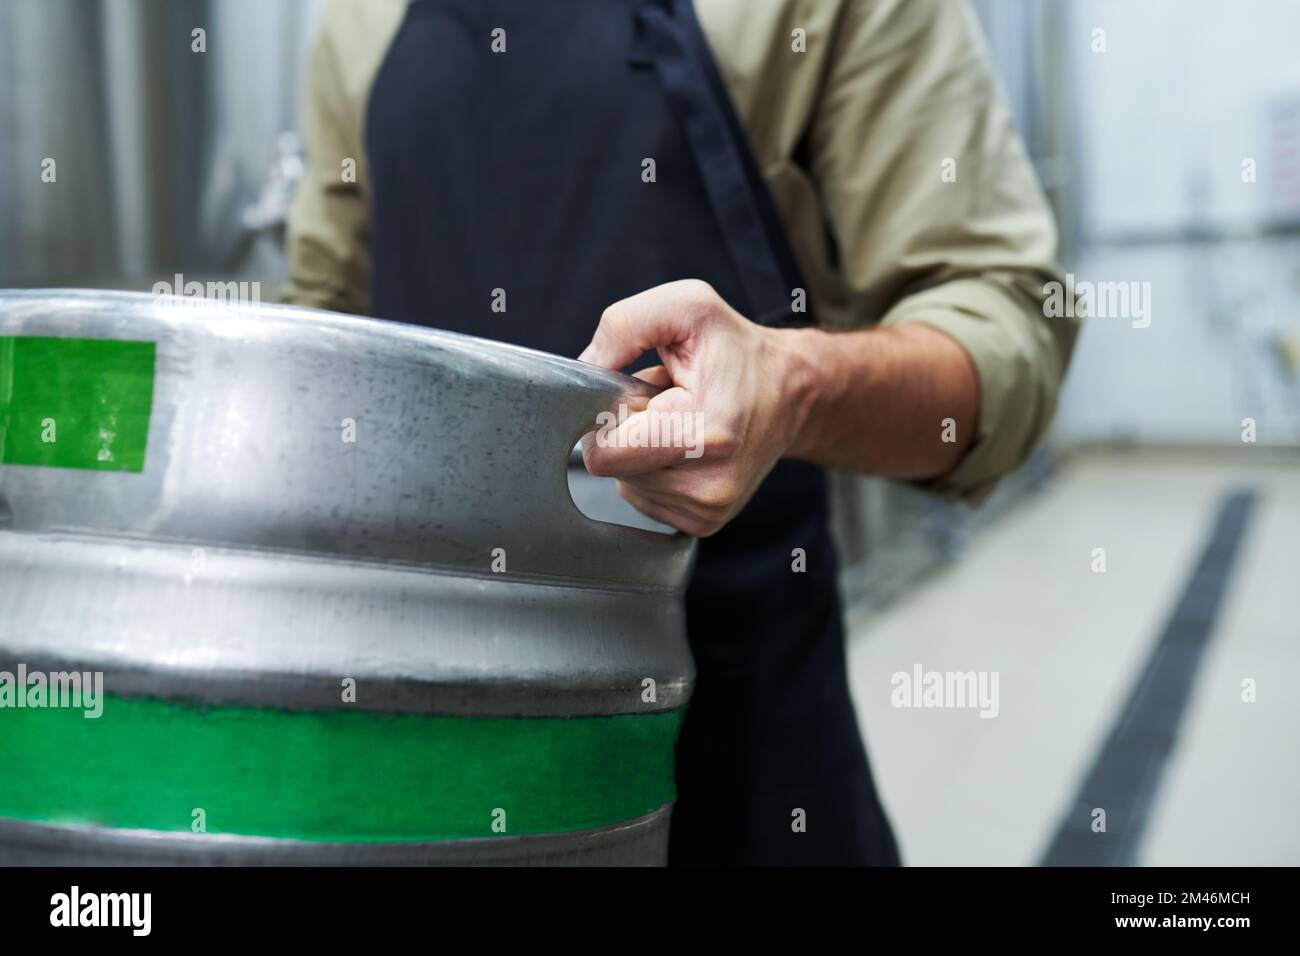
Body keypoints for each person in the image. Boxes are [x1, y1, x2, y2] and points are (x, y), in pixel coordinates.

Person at [284, 0, 1079, 865]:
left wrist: (793, 385)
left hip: (739, 719)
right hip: (419, 734)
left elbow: (1007, 325)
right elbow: (320, 342)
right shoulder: (359, 20)